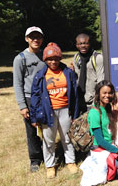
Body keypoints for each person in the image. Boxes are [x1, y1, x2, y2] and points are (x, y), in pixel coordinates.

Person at [30, 42, 79, 178]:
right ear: (45, 59)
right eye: (50, 59)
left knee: (67, 138)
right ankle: (50, 165)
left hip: (65, 110)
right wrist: (34, 117)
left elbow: (74, 94)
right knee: (49, 140)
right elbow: (35, 97)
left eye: (56, 58)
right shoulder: (40, 75)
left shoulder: (68, 73)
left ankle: (70, 161)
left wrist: (74, 114)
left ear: (60, 58)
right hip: (48, 112)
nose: (53, 62)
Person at [87, 80, 118, 179]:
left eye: (110, 93)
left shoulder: (108, 108)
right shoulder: (94, 112)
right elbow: (100, 140)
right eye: (104, 93)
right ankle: (105, 169)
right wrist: (116, 150)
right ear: (98, 94)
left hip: (111, 143)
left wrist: (117, 143)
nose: (107, 95)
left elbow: (111, 130)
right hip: (101, 148)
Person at [13, 26, 45, 173]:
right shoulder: (20, 59)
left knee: (47, 128)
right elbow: (17, 83)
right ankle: (35, 159)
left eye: (38, 37)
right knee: (32, 130)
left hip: (45, 97)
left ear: (42, 39)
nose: (35, 40)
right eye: (32, 37)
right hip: (29, 98)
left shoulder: (45, 55)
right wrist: (22, 105)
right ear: (27, 39)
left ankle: (47, 154)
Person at [72, 33, 104, 114]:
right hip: (80, 101)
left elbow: (101, 81)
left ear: (89, 44)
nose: (83, 46)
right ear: (76, 45)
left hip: (92, 102)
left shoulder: (98, 58)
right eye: (80, 43)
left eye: (85, 43)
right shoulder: (76, 57)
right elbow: (76, 78)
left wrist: (96, 102)